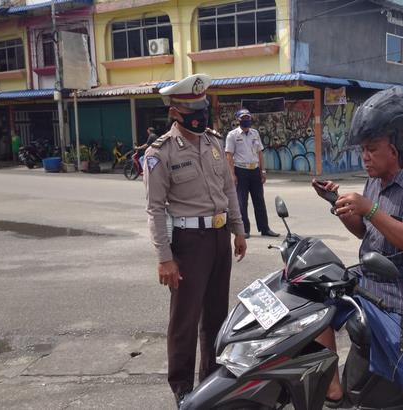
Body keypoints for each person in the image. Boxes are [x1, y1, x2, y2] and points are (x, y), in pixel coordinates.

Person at [312, 87, 403, 410]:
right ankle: (334, 393)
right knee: (314, 303)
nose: (365, 157)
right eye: (363, 150)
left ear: (397, 147)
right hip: (372, 286)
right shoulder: (376, 181)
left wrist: (369, 209)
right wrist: (343, 208)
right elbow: (369, 234)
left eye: (372, 149)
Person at [142, 73, 248, 408]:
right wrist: (164, 257)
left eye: (202, 105)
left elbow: (229, 189)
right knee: (185, 320)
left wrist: (238, 230)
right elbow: (155, 208)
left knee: (217, 316)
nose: (199, 113)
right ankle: (183, 389)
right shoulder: (160, 153)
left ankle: (212, 382)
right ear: (175, 111)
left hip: (218, 238)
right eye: (191, 107)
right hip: (188, 243)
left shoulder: (214, 142)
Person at [225, 109, 279, 239]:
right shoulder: (232, 135)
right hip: (241, 170)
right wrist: (232, 174)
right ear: (238, 120)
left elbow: (260, 153)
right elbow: (229, 155)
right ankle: (245, 230)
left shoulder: (255, 133)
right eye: (243, 118)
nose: (246, 120)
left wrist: (263, 170)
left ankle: (264, 228)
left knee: (259, 200)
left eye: (248, 117)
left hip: (255, 170)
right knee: (242, 201)